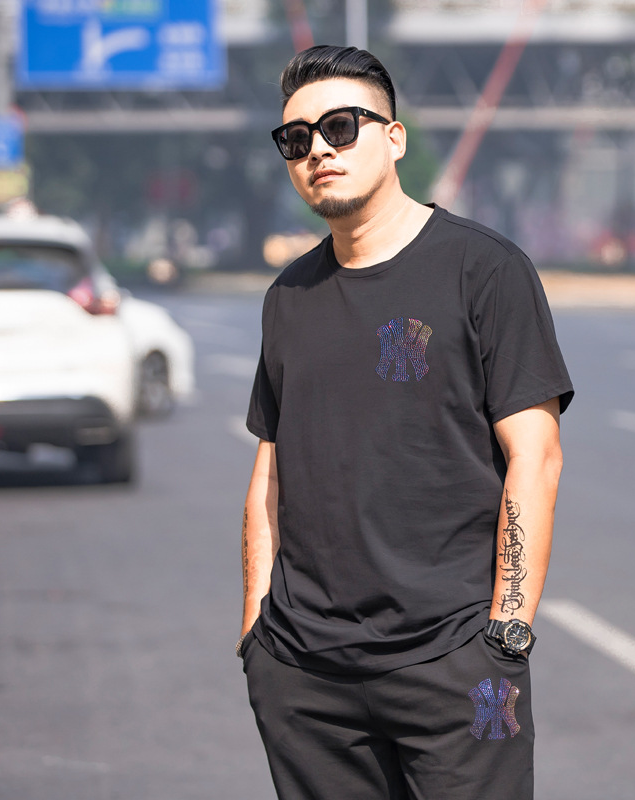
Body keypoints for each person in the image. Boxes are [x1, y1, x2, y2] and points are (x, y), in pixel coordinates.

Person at [238, 44, 574, 800]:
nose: (318, 150)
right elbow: (270, 470)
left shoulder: (484, 269)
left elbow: (536, 455)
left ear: (394, 138)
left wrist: (508, 631)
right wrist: (257, 629)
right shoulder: (288, 296)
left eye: (340, 127)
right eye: (296, 138)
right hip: (304, 677)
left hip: (458, 664)